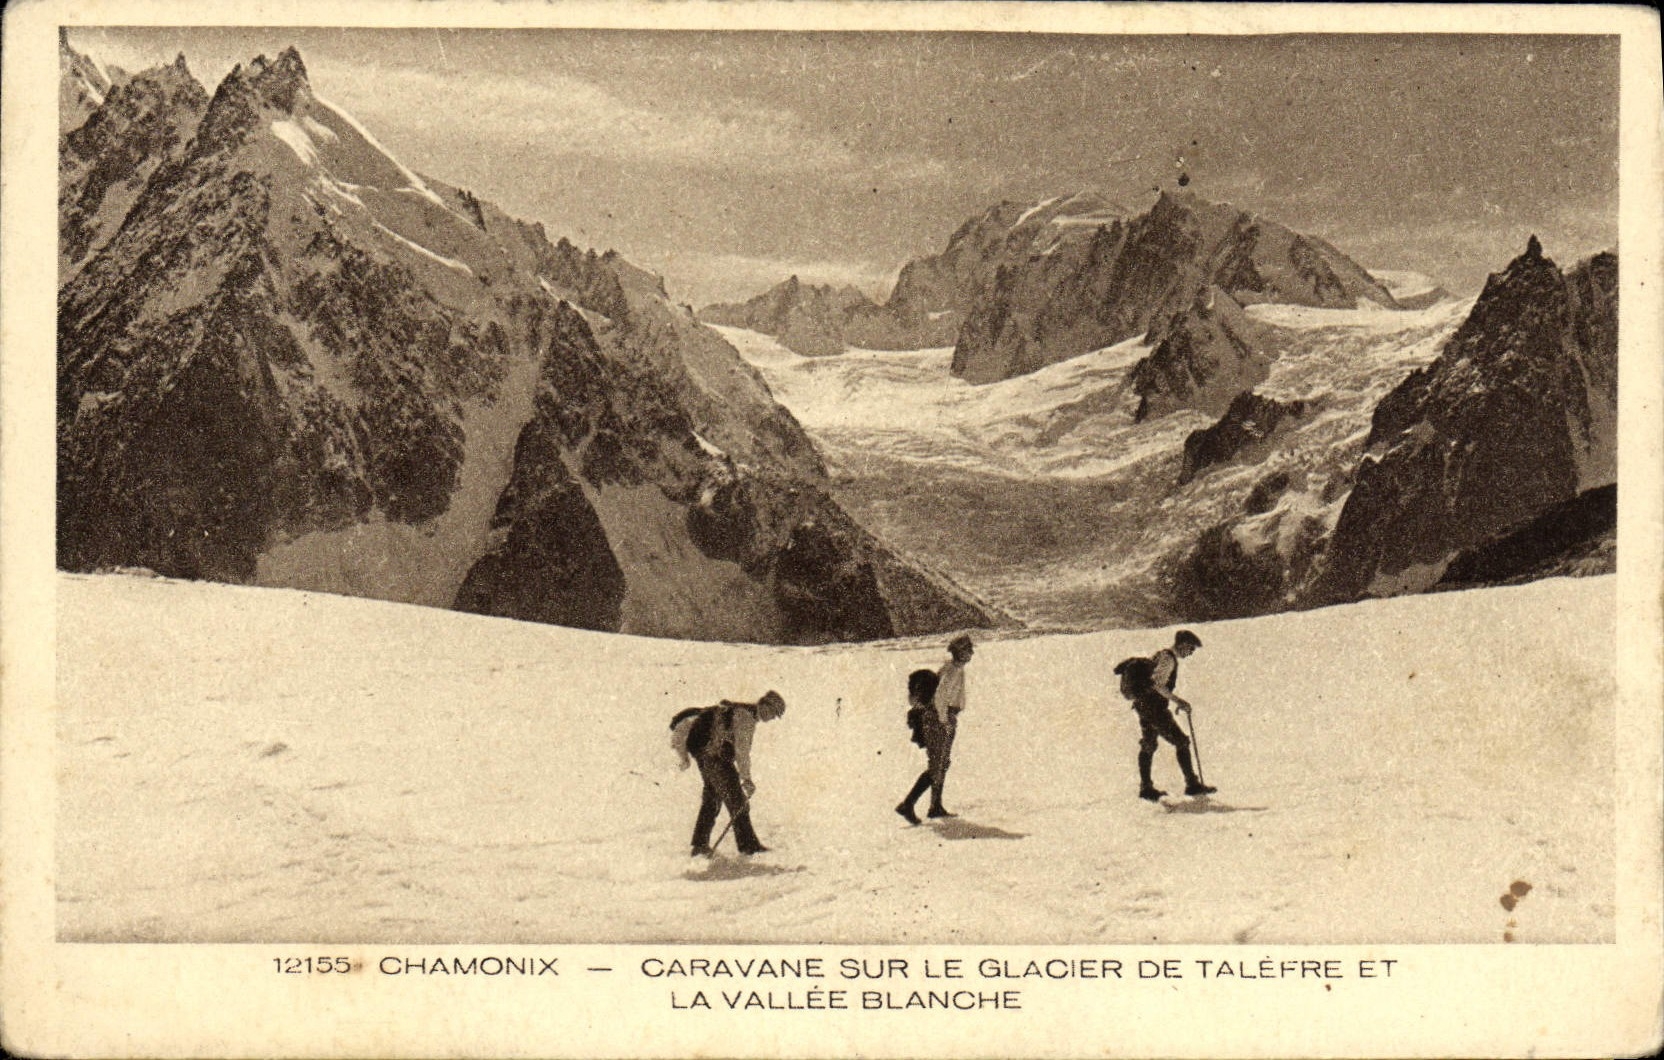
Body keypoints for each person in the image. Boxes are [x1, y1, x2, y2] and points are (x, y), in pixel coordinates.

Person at [670, 691, 786, 856]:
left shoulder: (735, 710)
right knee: (737, 801)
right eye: (774, 713)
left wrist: (686, 758)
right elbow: (742, 751)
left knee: (712, 798)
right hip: (717, 759)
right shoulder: (746, 717)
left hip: (705, 756)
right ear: (765, 705)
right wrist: (746, 778)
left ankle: (700, 844)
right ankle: (748, 846)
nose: (773, 718)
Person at [895, 634, 973, 823]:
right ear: (960, 653)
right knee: (937, 766)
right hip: (939, 720)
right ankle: (908, 804)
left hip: (943, 718)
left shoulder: (954, 669)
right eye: (967, 650)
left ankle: (935, 806)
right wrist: (944, 720)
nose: (971, 653)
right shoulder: (952, 671)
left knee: (941, 764)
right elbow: (940, 698)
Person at [1129, 630, 1215, 801]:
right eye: (1190, 649)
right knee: (1181, 741)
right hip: (1154, 708)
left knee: (1149, 743)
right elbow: (1157, 684)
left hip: (1142, 705)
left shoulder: (1161, 655)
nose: (1190, 653)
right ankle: (1192, 785)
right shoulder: (1168, 659)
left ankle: (1146, 788)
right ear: (1182, 645)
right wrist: (1179, 701)